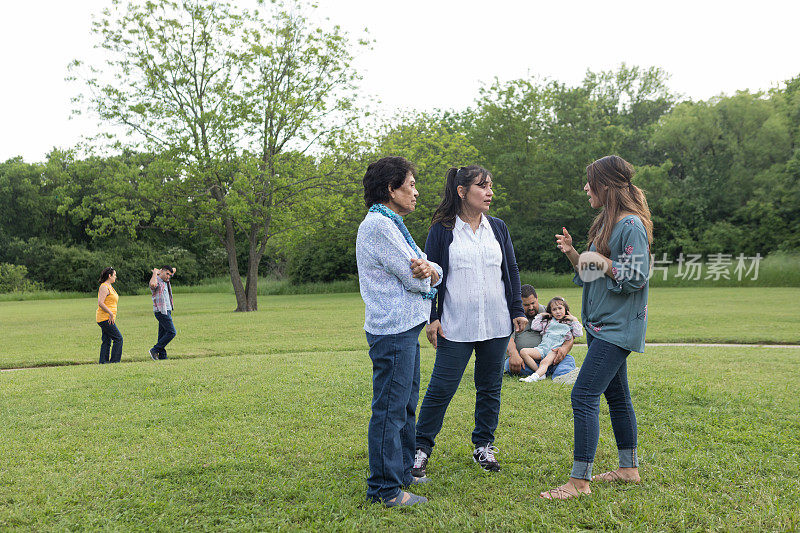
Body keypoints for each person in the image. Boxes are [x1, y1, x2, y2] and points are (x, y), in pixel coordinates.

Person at [541, 155, 652, 499]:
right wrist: (575, 253)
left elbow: (634, 277)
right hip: (602, 326)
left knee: (583, 394)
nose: (586, 188)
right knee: (617, 396)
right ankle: (628, 469)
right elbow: (591, 273)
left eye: (590, 182)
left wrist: (602, 260)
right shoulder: (608, 223)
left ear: (606, 184)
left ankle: (579, 482)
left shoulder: (630, 225)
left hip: (616, 328)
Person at [412, 165, 527, 478]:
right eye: (482, 186)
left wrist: (517, 309)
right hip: (455, 324)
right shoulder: (442, 229)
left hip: (496, 323)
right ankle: (419, 450)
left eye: (490, 186)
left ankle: (483, 446)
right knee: (441, 388)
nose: (489, 193)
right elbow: (432, 275)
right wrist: (433, 317)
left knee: (490, 387)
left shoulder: (498, 228)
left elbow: (511, 271)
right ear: (462, 192)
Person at [356, 156, 443, 507]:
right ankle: (384, 490)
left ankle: (404, 471)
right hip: (392, 332)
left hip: (404, 329)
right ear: (391, 189)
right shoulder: (378, 225)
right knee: (390, 410)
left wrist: (429, 270)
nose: (416, 192)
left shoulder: (392, 224)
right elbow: (414, 276)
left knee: (405, 406)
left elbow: (429, 266)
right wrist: (427, 274)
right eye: (410, 185)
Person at [504, 285, 580, 384]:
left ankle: (559, 374)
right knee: (509, 363)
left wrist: (564, 349)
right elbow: (508, 339)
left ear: (537, 299)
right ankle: (547, 371)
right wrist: (514, 355)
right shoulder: (514, 317)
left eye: (533, 303)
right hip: (527, 360)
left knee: (568, 358)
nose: (531, 307)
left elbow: (569, 334)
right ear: (519, 303)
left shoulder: (550, 312)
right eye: (526, 305)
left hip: (552, 357)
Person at [518, 296, 582, 382]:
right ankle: (541, 373)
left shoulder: (569, 324)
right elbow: (535, 327)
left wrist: (575, 320)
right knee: (523, 352)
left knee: (544, 362)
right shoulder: (548, 322)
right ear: (551, 312)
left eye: (560, 308)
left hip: (554, 351)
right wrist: (541, 316)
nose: (558, 311)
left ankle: (533, 377)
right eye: (554, 309)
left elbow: (578, 333)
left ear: (565, 309)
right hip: (542, 349)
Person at [149, 265, 176, 361]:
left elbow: (172, 270)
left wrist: (171, 271)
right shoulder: (156, 280)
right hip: (161, 311)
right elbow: (152, 285)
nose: (168, 276)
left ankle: (162, 356)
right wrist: (155, 273)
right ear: (162, 272)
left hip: (167, 310)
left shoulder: (165, 281)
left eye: (170, 275)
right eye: (167, 274)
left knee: (162, 335)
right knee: (172, 332)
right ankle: (154, 350)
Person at [96, 267, 123, 364]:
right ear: (109, 276)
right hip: (105, 318)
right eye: (114, 275)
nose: (115, 277)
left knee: (107, 340)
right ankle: (115, 362)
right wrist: (111, 313)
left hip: (108, 318)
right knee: (118, 338)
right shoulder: (104, 286)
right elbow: (100, 303)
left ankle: (103, 362)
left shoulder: (110, 286)